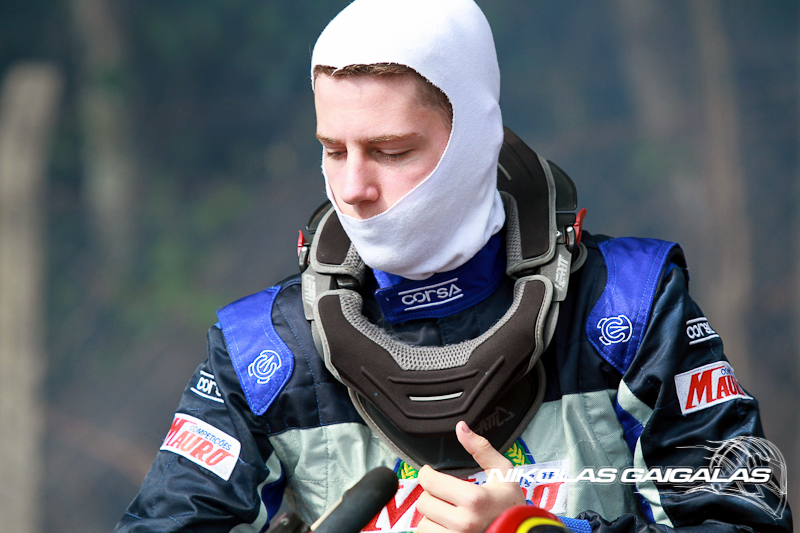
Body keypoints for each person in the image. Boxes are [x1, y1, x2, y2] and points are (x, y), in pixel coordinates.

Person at [113, 1, 791, 533]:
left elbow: (746, 518)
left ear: (474, 138)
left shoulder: (627, 306)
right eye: (333, 149)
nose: (352, 188)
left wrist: (537, 532)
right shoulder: (265, 346)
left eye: (390, 150)